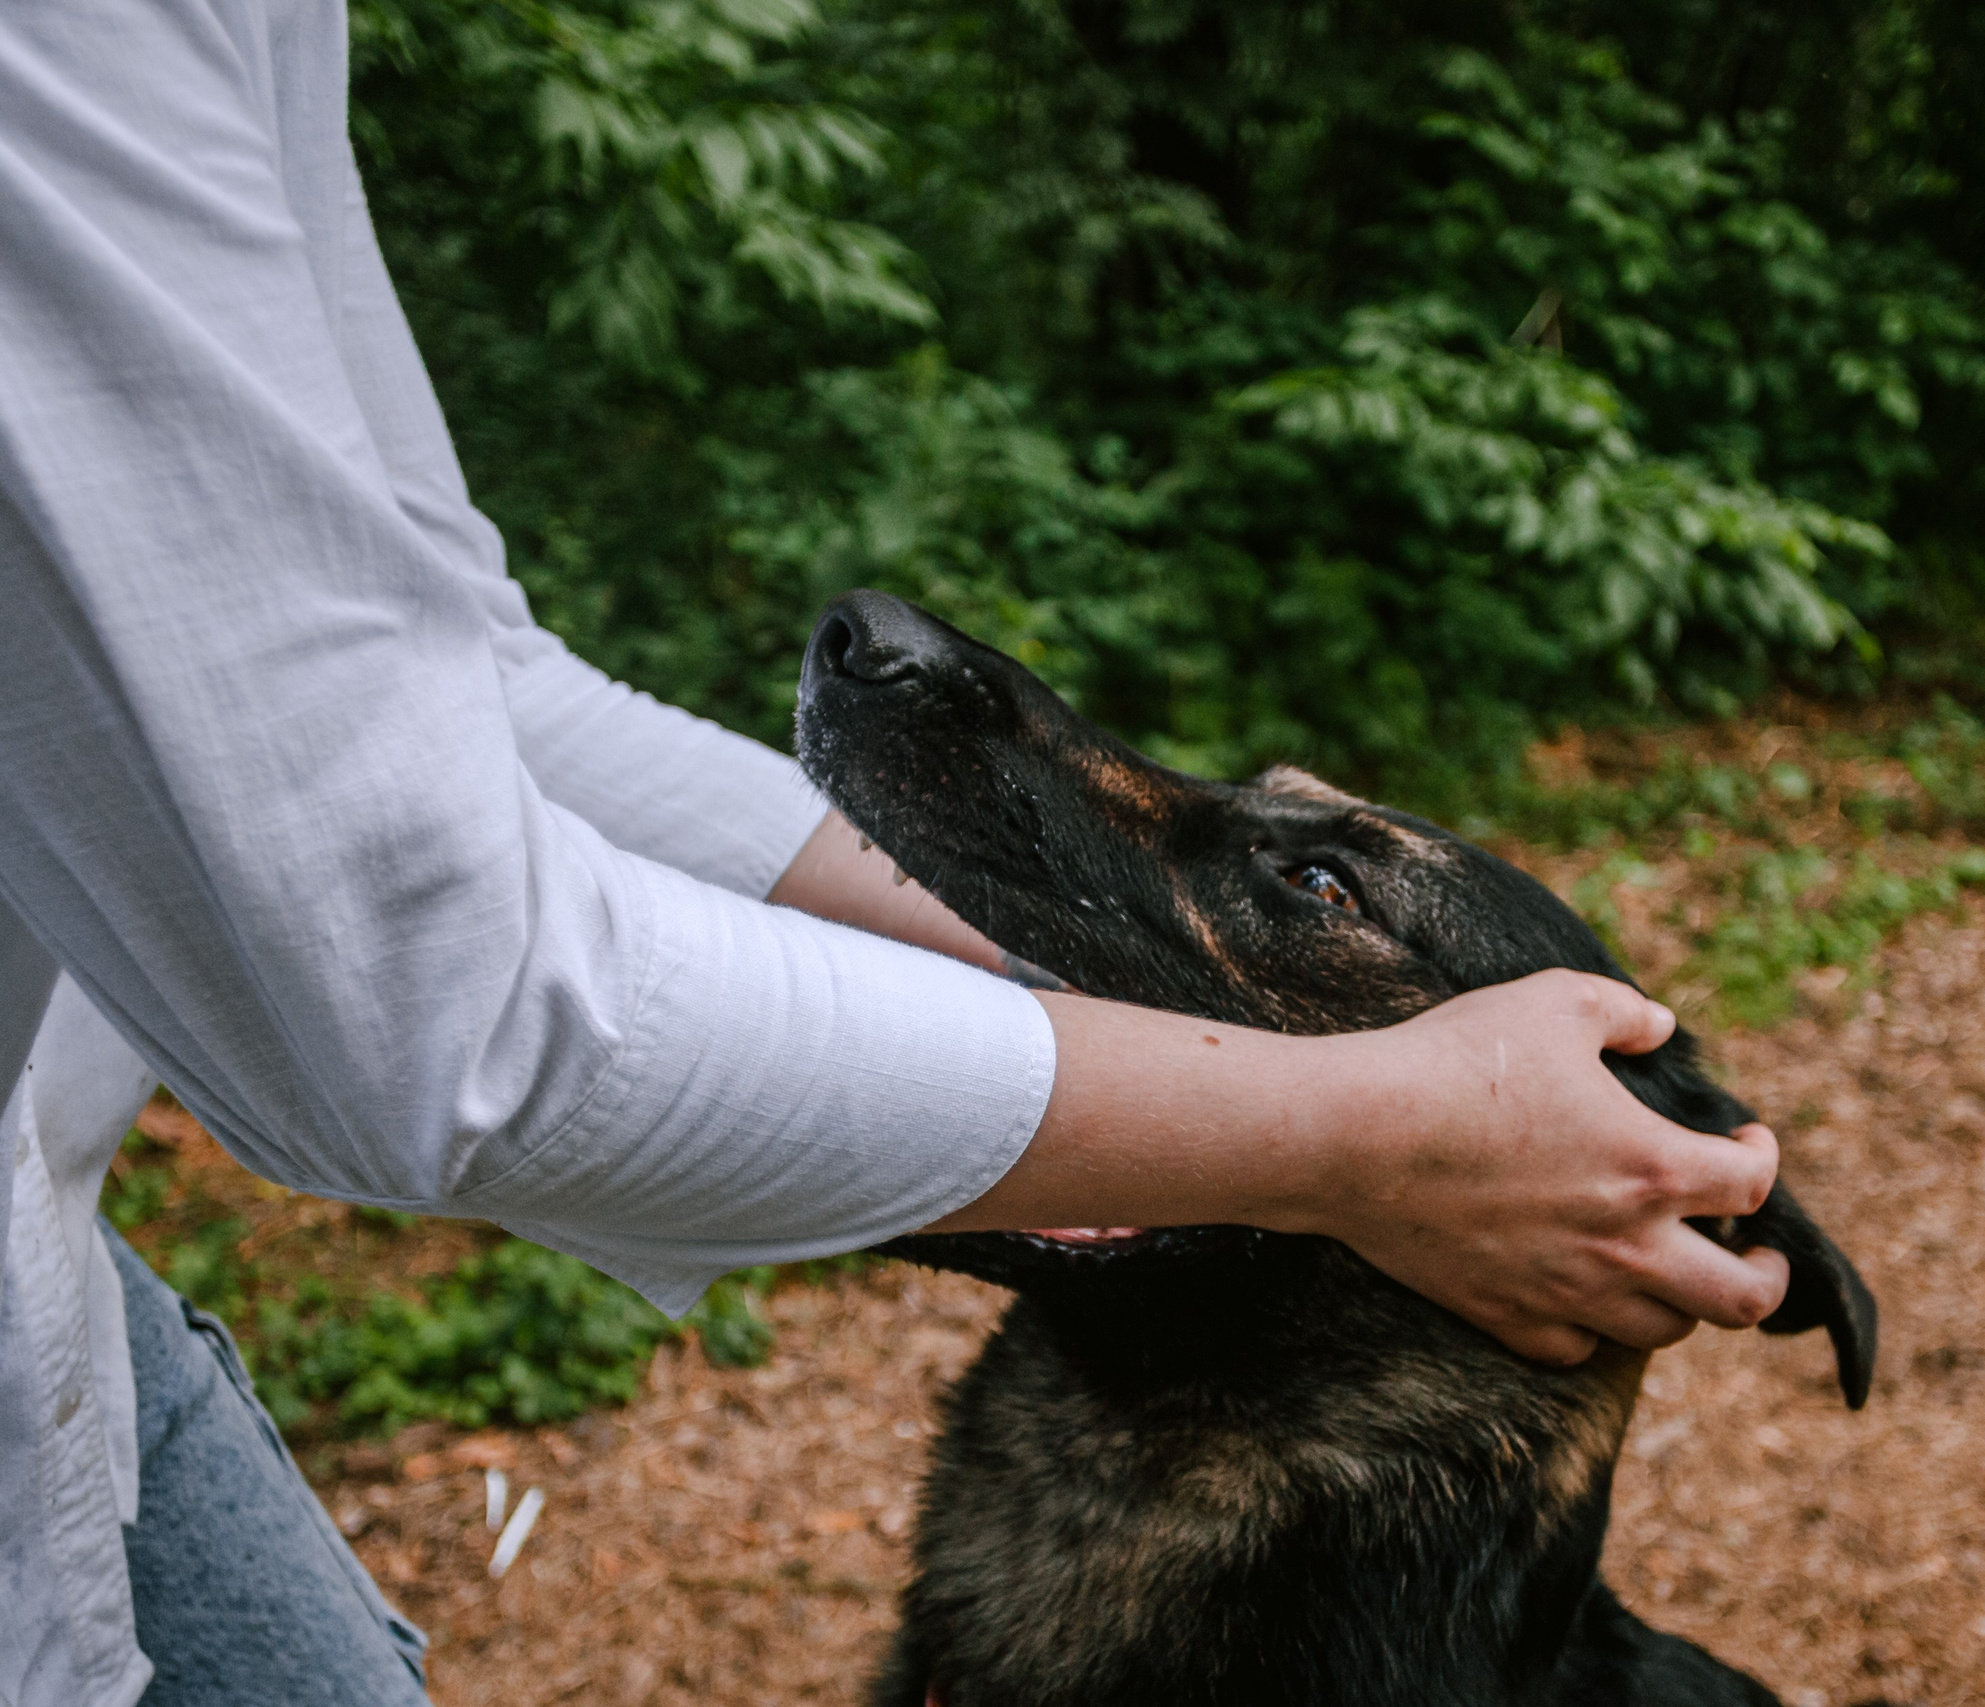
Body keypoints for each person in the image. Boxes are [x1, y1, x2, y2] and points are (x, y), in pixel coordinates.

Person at [0, 2, 1790, 1702]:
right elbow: (418, 1005)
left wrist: (1036, 963)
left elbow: (451, 688)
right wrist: (1391, 1133)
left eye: (1321, 888)